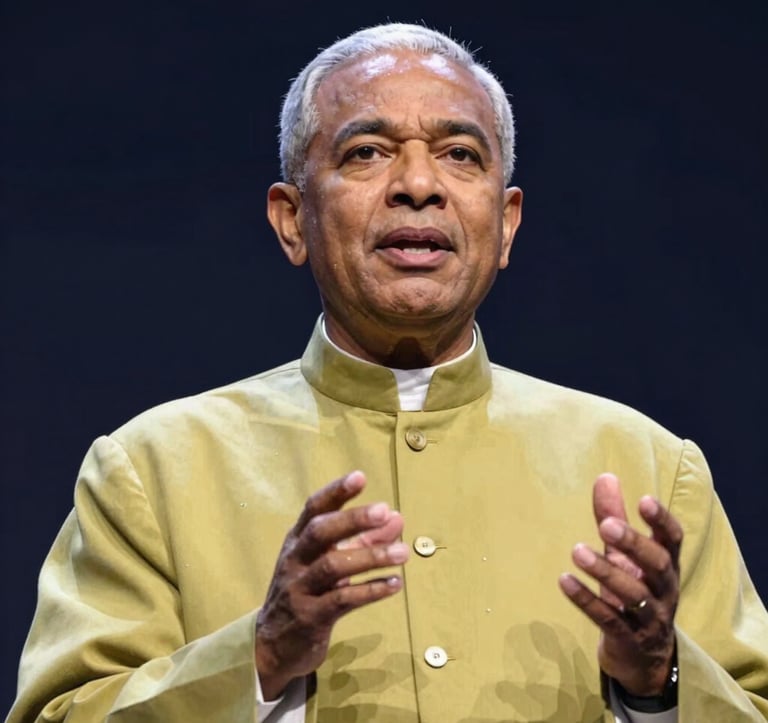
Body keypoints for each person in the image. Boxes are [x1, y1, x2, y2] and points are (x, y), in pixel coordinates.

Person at [7, 21, 768, 723]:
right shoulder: (149, 469)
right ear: (290, 219)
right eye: (366, 151)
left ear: (505, 225)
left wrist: (659, 683)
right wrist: (261, 656)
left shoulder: (652, 470)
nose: (417, 184)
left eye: (460, 154)